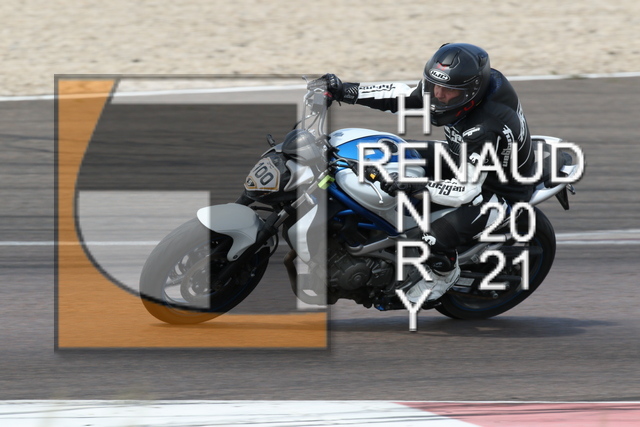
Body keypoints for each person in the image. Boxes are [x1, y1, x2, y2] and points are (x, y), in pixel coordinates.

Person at [318, 43, 536, 303]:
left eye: (448, 91)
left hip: (495, 191)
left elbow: (466, 190)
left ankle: (444, 273)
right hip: (460, 155)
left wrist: (417, 185)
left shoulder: (485, 128)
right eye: (434, 86)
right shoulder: (465, 84)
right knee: (394, 153)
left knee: (429, 237)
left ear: (471, 92)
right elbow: (406, 95)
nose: (438, 95)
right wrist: (344, 91)